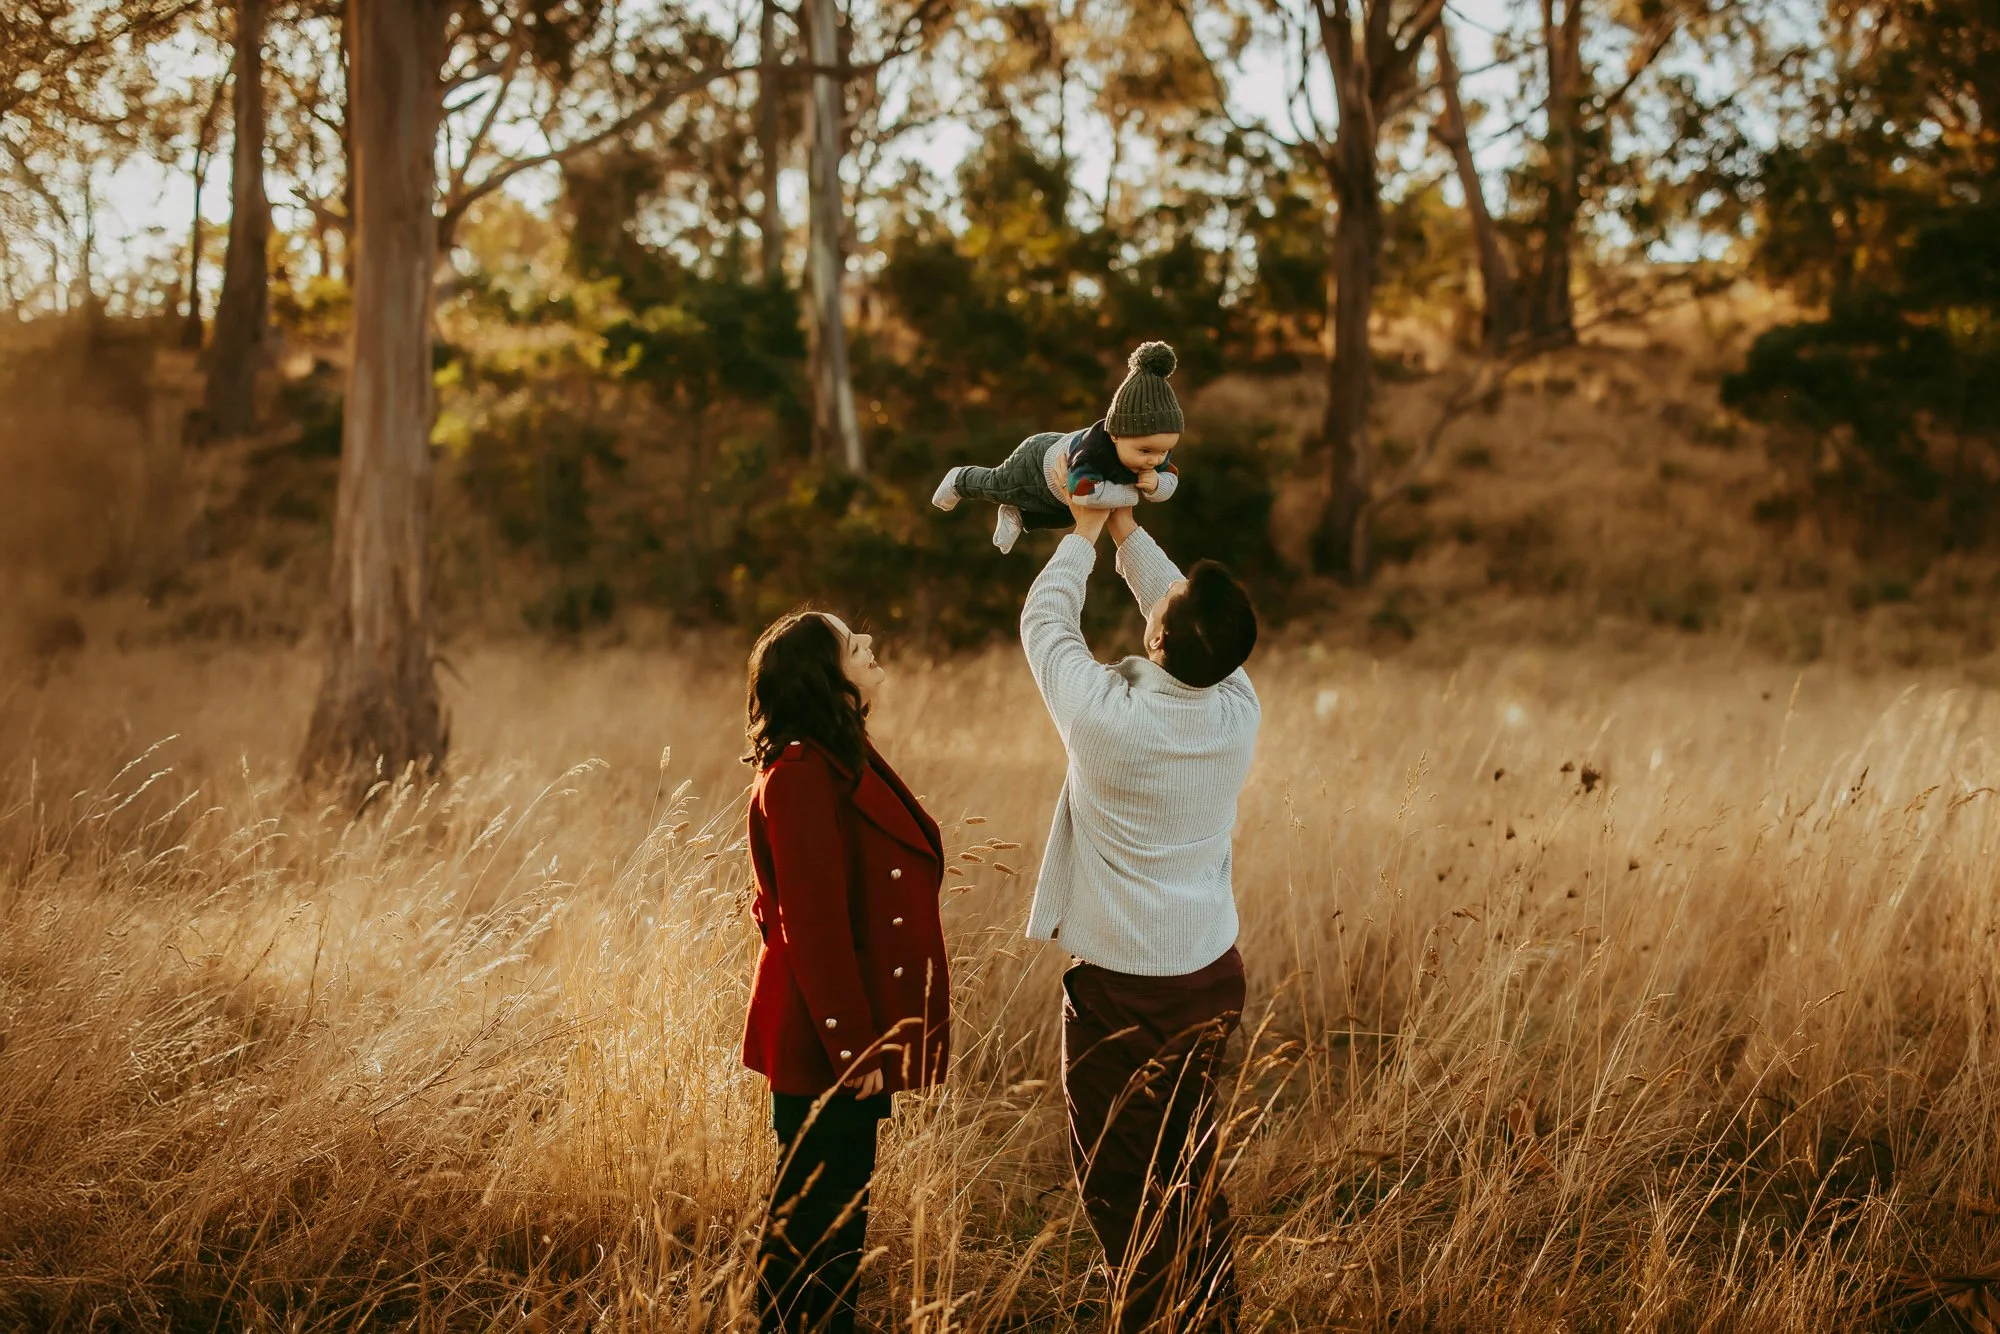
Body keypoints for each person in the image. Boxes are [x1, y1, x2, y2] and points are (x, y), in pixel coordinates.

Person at [1019, 500, 1261, 1332]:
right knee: (1188, 1164)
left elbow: (1044, 623)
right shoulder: (1237, 708)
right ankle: (1211, 1316)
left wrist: (1084, 531)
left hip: (1123, 990)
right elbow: (1188, 619)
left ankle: (1157, 1320)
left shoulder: (1106, 720)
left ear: (1158, 639)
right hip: (1208, 976)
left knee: (1123, 1187)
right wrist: (1124, 530)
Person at [740, 610, 952, 1334]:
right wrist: (855, 1044)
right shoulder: (800, 775)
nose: (871, 650)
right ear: (825, 676)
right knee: (815, 1227)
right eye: (854, 647)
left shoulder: (838, 753)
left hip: (848, 1033)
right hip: (824, 1042)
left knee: (834, 1222)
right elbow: (814, 925)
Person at [931, 342, 1184, 552]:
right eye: (1145, 451)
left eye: (1163, 451)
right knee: (997, 485)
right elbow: (1083, 493)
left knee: (1068, 516)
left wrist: (1157, 486)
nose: (1154, 460)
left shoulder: (1152, 453)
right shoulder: (1095, 453)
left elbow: (1171, 478)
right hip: (1038, 465)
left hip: (1064, 491)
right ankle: (959, 479)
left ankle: (1018, 515)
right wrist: (1133, 494)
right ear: (1116, 434)